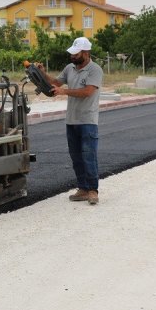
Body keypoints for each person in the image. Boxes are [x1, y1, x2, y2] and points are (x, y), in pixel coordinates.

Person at [36, 36, 104, 205]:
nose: (72, 56)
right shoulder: (70, 68)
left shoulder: (95, 70)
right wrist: (42, 73)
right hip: (71, 121)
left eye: (76, 53)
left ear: (86, 53)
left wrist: (64, 92)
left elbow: (87, 92)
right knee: (76, 157)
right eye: (72, 53)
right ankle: (82, 188)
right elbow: (56, 82)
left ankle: (92, 190)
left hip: (87, 120)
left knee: (89, 156)